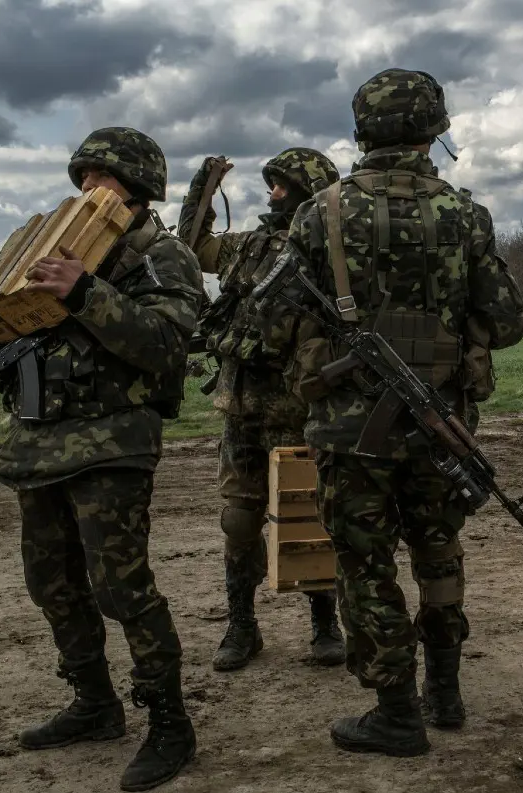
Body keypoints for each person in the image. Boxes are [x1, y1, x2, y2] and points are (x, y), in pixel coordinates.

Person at [0, 127, 203, 791]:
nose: (86, 190)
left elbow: (166, 345)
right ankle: (93, 703)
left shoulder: (160, 256)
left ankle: (169, 722)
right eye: (81, 178)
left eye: (100, 178)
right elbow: (24, 357)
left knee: (122, 588)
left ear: (138, 189)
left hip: (113, 444)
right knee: (51, 584)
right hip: (39, 444)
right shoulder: (53, 252)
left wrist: (85, 292)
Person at [272, 67, 523, 756]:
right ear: (434, 131)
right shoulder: (466, 214)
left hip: (352, 432)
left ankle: (395, 708)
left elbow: (274, 325)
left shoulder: (319, 212)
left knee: (365, 563)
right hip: (441, 421)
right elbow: (505, 323)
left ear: (363, 130)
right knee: (438, 550)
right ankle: (444, 691)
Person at [179, 148, 345, 671]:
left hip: (299, 411)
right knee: (239, 520)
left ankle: (325, 624)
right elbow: (193, 245)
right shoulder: (246, 247)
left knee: (310, 517)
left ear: (306, 193)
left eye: (280, 185)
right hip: (241, 409)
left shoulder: (328, 251)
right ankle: (241, 626)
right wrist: (202, 186)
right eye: (271, 184)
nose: (271, 193)